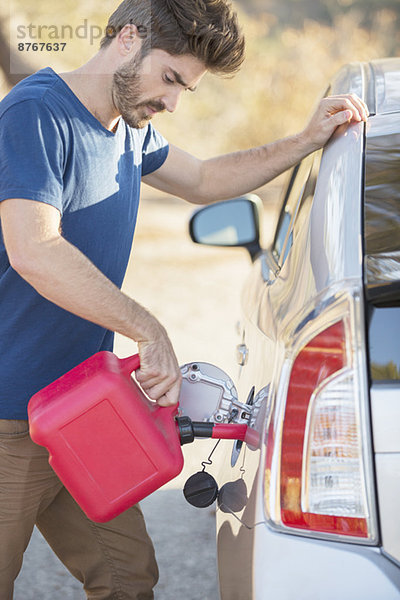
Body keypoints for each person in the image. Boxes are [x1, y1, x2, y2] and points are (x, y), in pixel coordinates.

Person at [0, 0, 368, 598]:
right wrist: (150, 330)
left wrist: (306, 140)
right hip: (10, 417)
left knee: (129, 579)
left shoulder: (128, 128)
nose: (172, 102)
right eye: (170, 79)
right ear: (127, 39)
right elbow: (34, 250)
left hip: (84, 410)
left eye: (184, 90)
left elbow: (203, 180)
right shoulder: (36, 115)